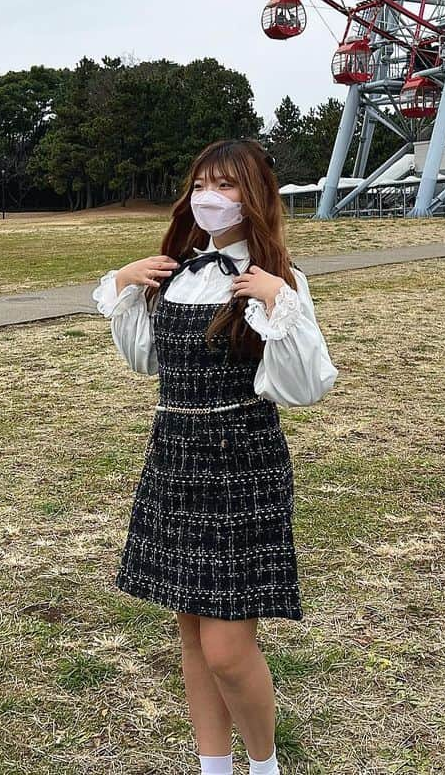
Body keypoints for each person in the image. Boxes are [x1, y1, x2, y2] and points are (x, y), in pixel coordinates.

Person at [92, 139, 337, 775]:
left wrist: (278, 301)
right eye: (202, 182)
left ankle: (264, 765)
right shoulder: (172, 272)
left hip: (241, 461)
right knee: (194, 637)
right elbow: (147, 361)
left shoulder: (274, 278)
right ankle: (213, 766)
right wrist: (122, 284)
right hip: (173, 458)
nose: (209, 196)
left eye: (226, 185)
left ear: (252, 197)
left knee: (228, 647)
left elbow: (307, 386)